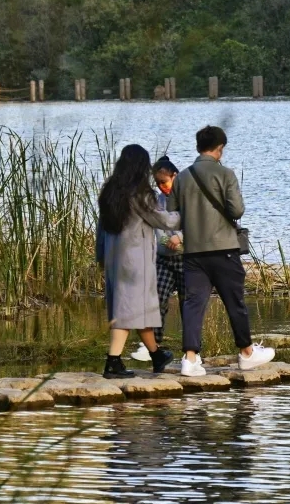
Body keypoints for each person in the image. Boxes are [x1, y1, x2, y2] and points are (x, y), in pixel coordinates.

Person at [168, 125, 274, 377]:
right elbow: (237, 210)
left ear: (198, 146)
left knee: (193, 304)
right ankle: (247, 353)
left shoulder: (182, 177)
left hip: (193, 251)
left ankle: (190, 358)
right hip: (224, 249)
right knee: (234, 302)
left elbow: (172, 216)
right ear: (220, 148)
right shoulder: (225, 174)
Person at [97, 144, 182, 378]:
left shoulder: (109, 191)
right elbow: (163, 220)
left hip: (115, 261)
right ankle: (112, 363)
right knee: (126, 313)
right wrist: (187, 215)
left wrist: (101, 257)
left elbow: (100, 230)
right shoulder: (139, 194)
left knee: (140, 310)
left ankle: (156, 355)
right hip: (135, 262)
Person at [131, 156, 184, 362]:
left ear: (175, 176)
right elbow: (157, 225)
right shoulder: (158, 200)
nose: (162, 187)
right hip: (163, 259)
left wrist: (180, 236)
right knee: (157, 299)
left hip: (186, 259)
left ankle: (192, 351)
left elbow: (196, 221)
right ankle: (153, 346)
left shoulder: (187, 196)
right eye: (158, 183)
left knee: (188, 304)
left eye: (165, 182)